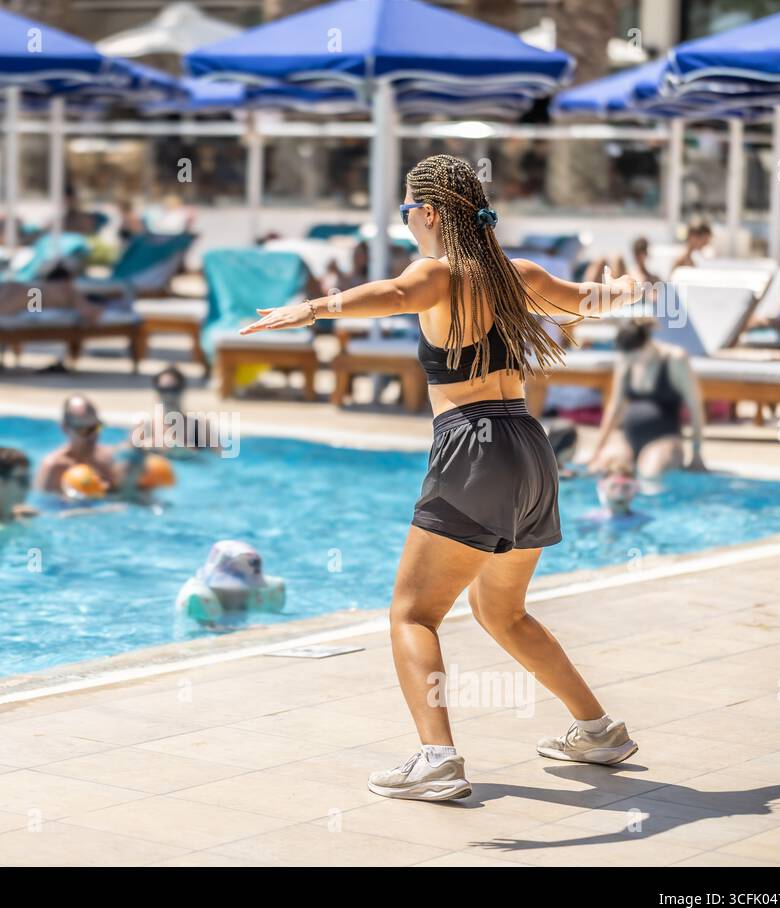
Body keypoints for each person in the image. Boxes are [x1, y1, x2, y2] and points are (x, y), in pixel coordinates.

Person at [242, 153, 644, 802]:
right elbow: (590, 303)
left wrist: (312, 308)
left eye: (407, 213)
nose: (407, 225)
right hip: (531, 451)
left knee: (413, 612)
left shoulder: (437, 273)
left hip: (474, 448)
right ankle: (597, 730)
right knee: (501, 610)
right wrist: (636, 288)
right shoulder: (519, 275)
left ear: (428, 213)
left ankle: (437, 759)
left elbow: (398, 295)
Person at [588, 318, 707, 481]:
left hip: (665, 440)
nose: (631, 359)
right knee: (607, 473)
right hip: (628, 440)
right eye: (627, 355)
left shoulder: (674, 359)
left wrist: (696, 454)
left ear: (648, 343)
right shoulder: (626, 360)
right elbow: (615, 408)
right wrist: (597, 452)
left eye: (635, 354)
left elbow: (695, 408)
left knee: (650, 476)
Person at [35, 395, 119, 494]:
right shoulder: (55, 467)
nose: (91, 435)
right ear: (65, 428)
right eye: (83, 429)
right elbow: (45, 505)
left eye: (95, 427)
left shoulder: (107, 458)